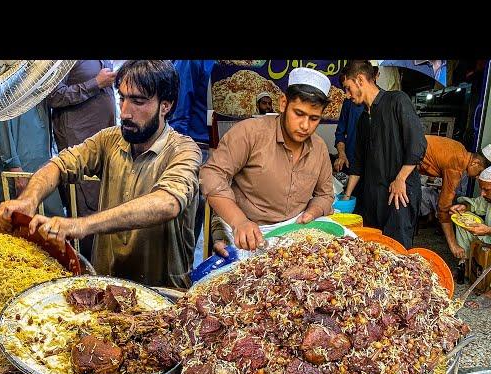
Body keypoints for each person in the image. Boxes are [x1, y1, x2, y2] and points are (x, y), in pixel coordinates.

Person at [0, 60, 202, 288]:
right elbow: (59, 165)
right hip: (106, 284)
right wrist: (27, 201)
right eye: (122, 98)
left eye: (138, 102)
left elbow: (167, 203)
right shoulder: (110, 139)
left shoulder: (184, 150)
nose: (124, 113)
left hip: (160, 292)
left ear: (166, 106)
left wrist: (81, 225)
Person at [200, 67, 335, 256]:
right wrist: (239, 221)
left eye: (314, 119)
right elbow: (211, 175)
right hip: (247, 231)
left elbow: (326, 195)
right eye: (299, 113)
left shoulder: (319, 149)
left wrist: (313, 211)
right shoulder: (250, 132)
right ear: (283, 104)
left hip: (294, 233)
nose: (305, 126)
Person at [341, 60, 427, 249]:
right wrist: (346, 197)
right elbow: (358, 164)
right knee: (373, 249)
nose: (347, 96)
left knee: (397, 249)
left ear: (360, 80)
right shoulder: (363, 119)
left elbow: (418, 144)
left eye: (348, 88)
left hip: (398, 195)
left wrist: (400, 179)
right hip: (372, 197)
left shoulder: (397, 100)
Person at [47, 60, 117, 259]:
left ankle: (103, 265)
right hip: (78, 143)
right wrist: (95, 83)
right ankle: (86, 272)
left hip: (105, 142)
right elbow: (53, 96)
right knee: (84, 211)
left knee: (102, 208)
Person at [169, 59, 215, 257]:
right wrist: (182, 154)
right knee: (188, 223)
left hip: (232, 148)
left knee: (219, 228)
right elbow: (179, 111)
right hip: (199, 149)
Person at [419, 135, 490, 262]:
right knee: (461, 217)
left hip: (405, 153)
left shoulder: (459, 149)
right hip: (405, 157)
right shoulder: (457, 164)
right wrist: (465, 206)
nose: (477, 178)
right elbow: (445, 207)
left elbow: (444, 207)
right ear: (475, 162)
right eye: (479, 173)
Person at [0, 100, 64, 218]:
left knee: (51, 220)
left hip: (43, 165)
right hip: (21, 169)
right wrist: (16, 170)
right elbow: (1, 132)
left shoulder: (37, 87)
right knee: (22, 223)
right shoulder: (2, 90)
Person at [450, 166, 491, 294]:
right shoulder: (487, 198)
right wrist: (464, 207)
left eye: (486, 189)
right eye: (481, 189)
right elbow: (476, 204)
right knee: (464, 225)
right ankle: (465, 266)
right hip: (488, 234)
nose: (482, 193)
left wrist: (489, 230)